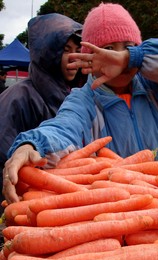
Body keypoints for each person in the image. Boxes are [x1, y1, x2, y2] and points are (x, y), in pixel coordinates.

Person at [2, 3, 158, 205]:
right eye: (108, 49)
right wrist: (31, 144)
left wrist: (132, 58)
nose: (116, 59)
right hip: (118, 222)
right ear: (89, 58)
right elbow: (63, 127)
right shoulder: (83, 100)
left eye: (127, 48)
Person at [0, 13, 85, 213]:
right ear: (48, 54)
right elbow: (5, 156)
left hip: (57, 204)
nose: (74, 56)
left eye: (77, 50)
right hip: (21, 202)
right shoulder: (19, 96)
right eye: (66, 50)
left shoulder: (74, 95)